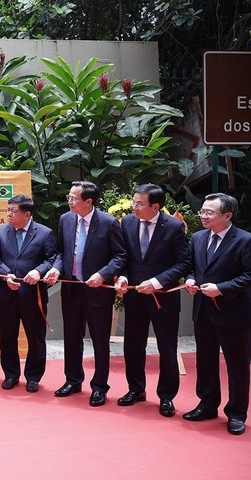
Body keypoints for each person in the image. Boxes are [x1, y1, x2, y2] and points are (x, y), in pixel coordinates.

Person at [46, 181, 126, 407]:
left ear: (88, 201)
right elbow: (62, 251)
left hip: (97, 290)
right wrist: (55, 268)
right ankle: (73, 379)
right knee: (72, 336)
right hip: (72, 287)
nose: (69, 201)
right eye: (69, 197)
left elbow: (120, 256)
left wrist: (103, 274)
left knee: (100, 340)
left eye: (73, 198)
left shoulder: (108, 223)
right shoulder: (66, 219)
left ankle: (100, 386)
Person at [114, 184, 190, 417]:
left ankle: (166, 396)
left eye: (139, 204)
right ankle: (136, 389)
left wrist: (157, 282)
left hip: (162, 298)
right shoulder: (127, 222)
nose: (134, 207)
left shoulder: (174, 227)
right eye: (133, 202)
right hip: (135, 295)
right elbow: (124, 256)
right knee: (133, 345)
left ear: (155, 206)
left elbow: (184, 263)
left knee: (167, 348)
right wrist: (124, 276)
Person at [184, 193, 251, 436]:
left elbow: (248, 275)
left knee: (237, 364)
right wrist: (190, 280)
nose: (203, 216)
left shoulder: (244, 240)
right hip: (203, 310)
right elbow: (192, 266)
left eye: (209, 212)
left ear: (227, 215)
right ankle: (207, 404)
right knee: (205, 360)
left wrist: (221, 289)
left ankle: (236, 414)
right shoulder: (198, 237)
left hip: (233, 311)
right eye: (202, 211)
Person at [0, 194, 56, 393]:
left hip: (33, 294)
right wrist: (4, 274)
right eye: (8, 210)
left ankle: (33, 377)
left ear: (27, 214)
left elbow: (51, 258)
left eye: (13, 211)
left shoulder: (44, 233)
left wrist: (38, 271)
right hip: (6, 293)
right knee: (7, 336)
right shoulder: (0, 231)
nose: (8, 214)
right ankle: (11, 374)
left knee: (35, 337)